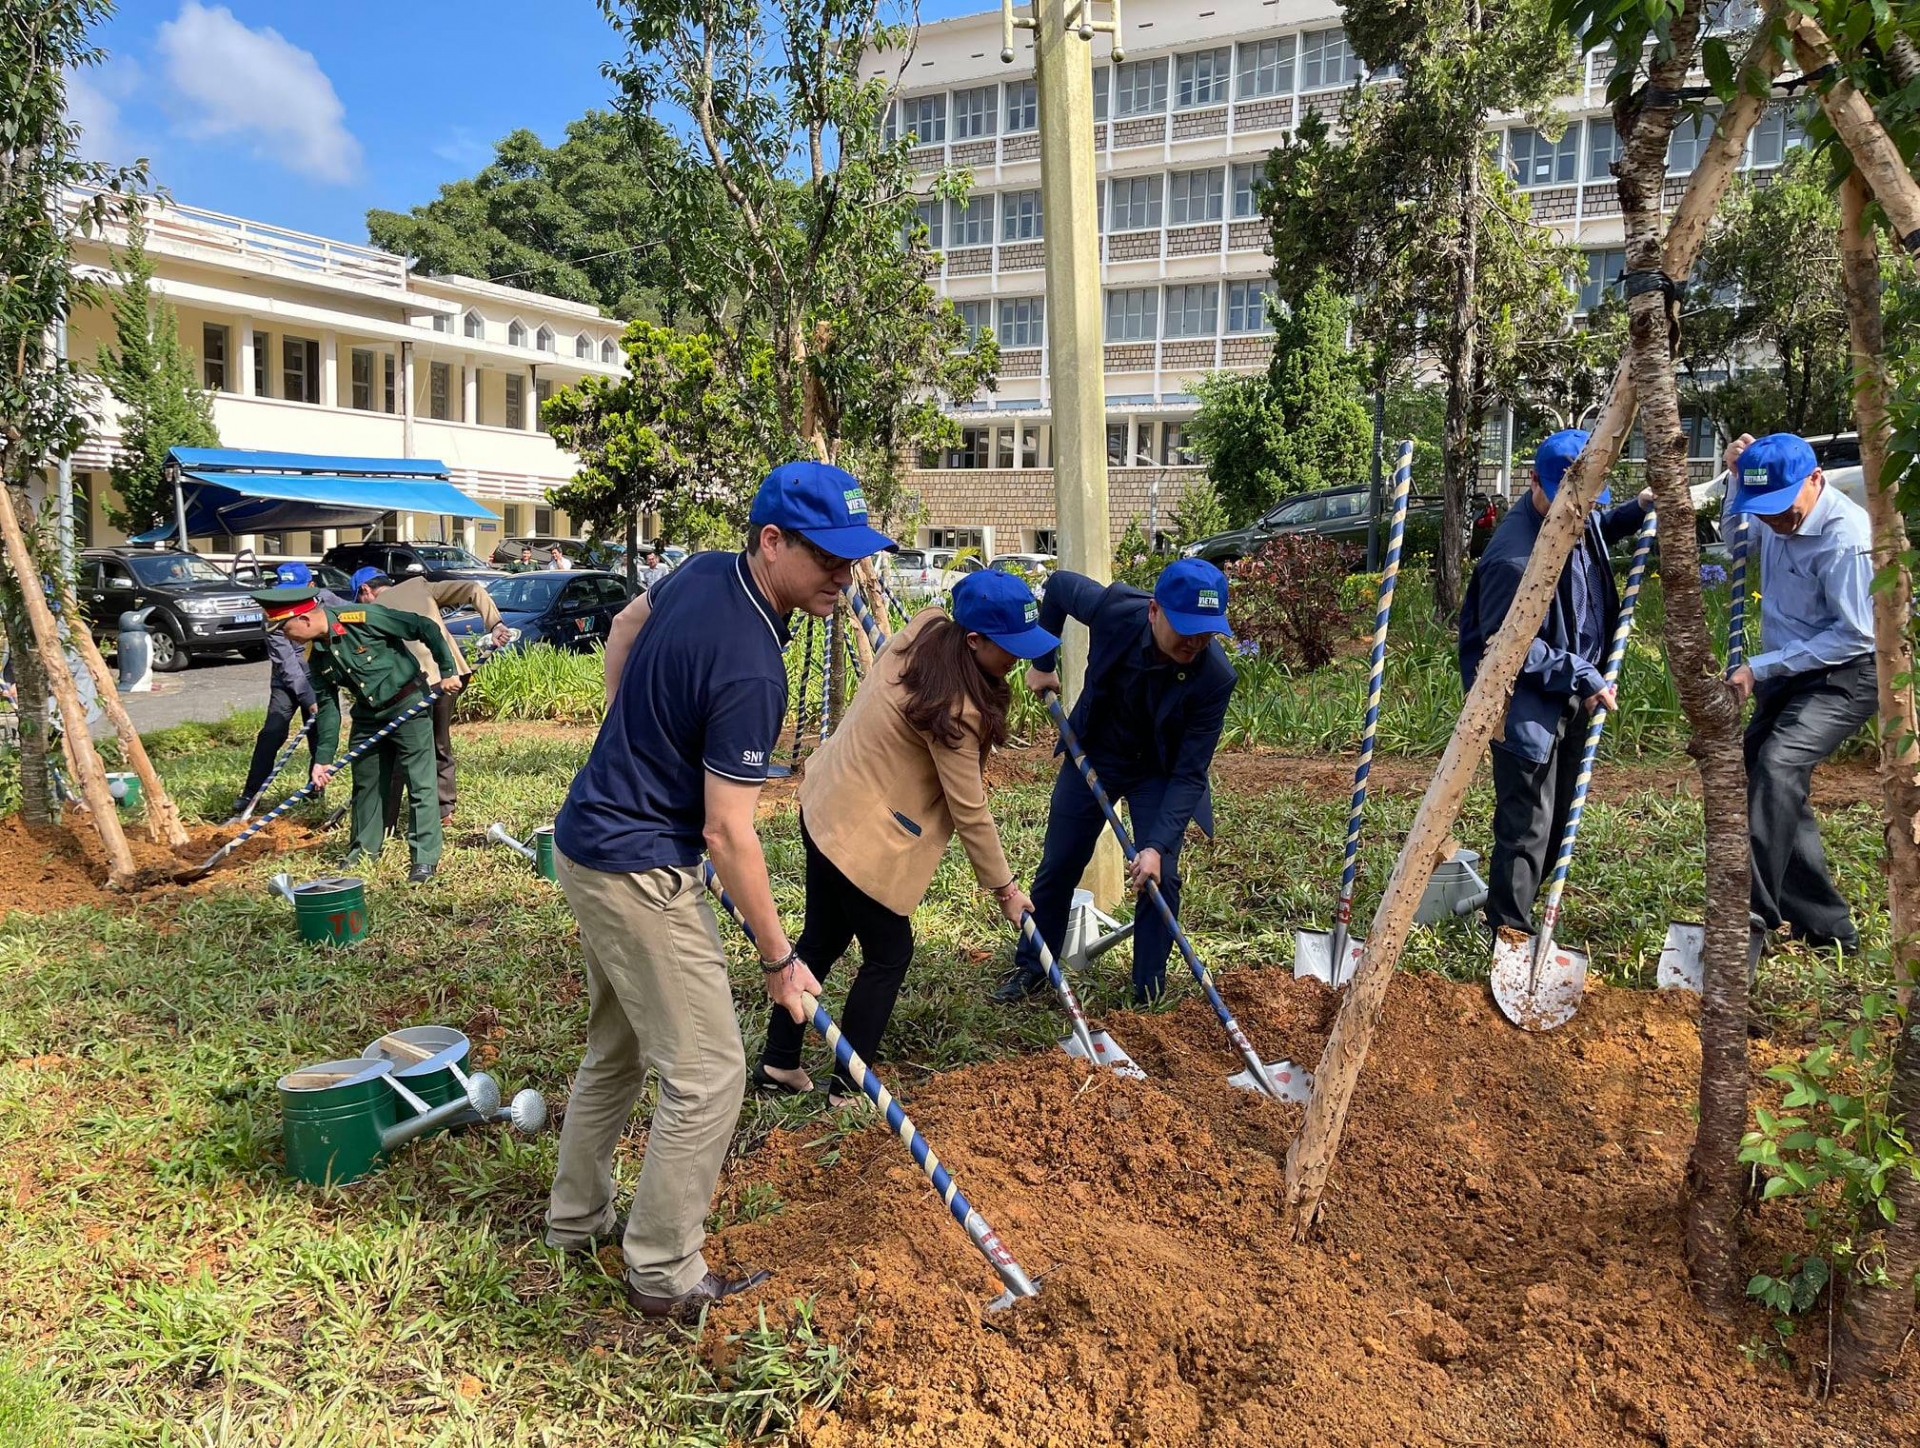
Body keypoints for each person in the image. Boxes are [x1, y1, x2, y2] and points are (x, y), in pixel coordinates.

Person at [543, 460, 896, 1322]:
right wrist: (781, 961)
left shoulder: (706, 568)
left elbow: (628, 624)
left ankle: (574, 1222)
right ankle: (662, 1270)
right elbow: (728, 833)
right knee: (708, 1074)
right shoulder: (752, 669)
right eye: (827, 560)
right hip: (637, 869)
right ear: (772, 542)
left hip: (587, 839)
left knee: (618, 1050)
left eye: (853, 561)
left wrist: (624, 722)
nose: (843, 579)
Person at [756, 570, 1052, 1106]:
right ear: (974, 641)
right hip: (859, 836)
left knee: (822, 938)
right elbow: (970, 811)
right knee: (890, 953)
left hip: (824, 802)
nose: (1019, 660)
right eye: (1010, 649)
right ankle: (849, 1088)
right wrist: (1007, 891)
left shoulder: (926, 627)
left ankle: (779, 1061)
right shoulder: (955, 712)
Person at [993, 558, 1237, 1006]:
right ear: (1154, 612)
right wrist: (1042, 662)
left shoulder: (1215, 677)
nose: (1196, 641)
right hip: (1095, 752)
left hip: (1158, 772)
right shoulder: (1116, 609)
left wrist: (1156, 846)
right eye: (1186, 627)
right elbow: (1061, 586)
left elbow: (1189, 773)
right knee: (1060, 863)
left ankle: (1147, 990)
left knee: (1159, 878)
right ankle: (1034, 967)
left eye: (1207, 631)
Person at [1457, 429, 1654, 939]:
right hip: (1525, 704)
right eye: (1573, 499)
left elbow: (1602, 527)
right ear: (1533, 483)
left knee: (1559, 814)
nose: (1582, 512)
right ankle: (1508, 931)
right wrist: (1583, 672)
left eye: (1590, 501)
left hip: (1570, 692)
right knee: (1527, 826)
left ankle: (1509, 907)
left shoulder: (1574, 514)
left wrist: (1637, 509)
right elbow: (1508, 649)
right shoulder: (1513, 558)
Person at [1724, 432, 1877, 958]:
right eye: (1762, 510)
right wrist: (1733, 483)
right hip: (1789, 668)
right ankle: (1827, 926)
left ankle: (1751, 916)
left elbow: (1857, 633)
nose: (1774, 521)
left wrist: (1759, 667)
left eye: (1782, 508)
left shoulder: (1845, 537)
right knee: (1773, 783)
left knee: (1778, 764)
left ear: (1816, 479)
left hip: (1848, 673)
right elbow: (1736, 543)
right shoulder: (1770, 515)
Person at [250, 582, 462, 884]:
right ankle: (363, 852)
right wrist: (321, 760)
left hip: (408, 706)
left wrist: (448, 669)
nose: (286, 638)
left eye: (285, 630)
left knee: (420, 783)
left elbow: (423, 626)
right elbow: (327, 709)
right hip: (368, 718)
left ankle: (424, 859)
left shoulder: (362, 617)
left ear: (304, 620)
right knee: (366, 786)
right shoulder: (316, 655)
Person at [351, 567, 510, 826]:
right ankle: (443, 810)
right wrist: (496, 624)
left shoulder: (369, 612)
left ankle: (385, 820)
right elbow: (473, 589)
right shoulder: (419, 585)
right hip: (450, 676)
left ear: (365, 590)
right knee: (439, 742)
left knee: (401, 750)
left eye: (359, 596)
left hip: (410, 688)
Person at [228, 561, 344, 821]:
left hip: (322, 679)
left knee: (317, 735)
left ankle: (315, 790)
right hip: (287, 681)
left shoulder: (329, 602)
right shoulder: (274, 612)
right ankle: (251, 793)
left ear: (312, 587)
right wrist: (307, 697)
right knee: (272, 733)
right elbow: (286, 663)